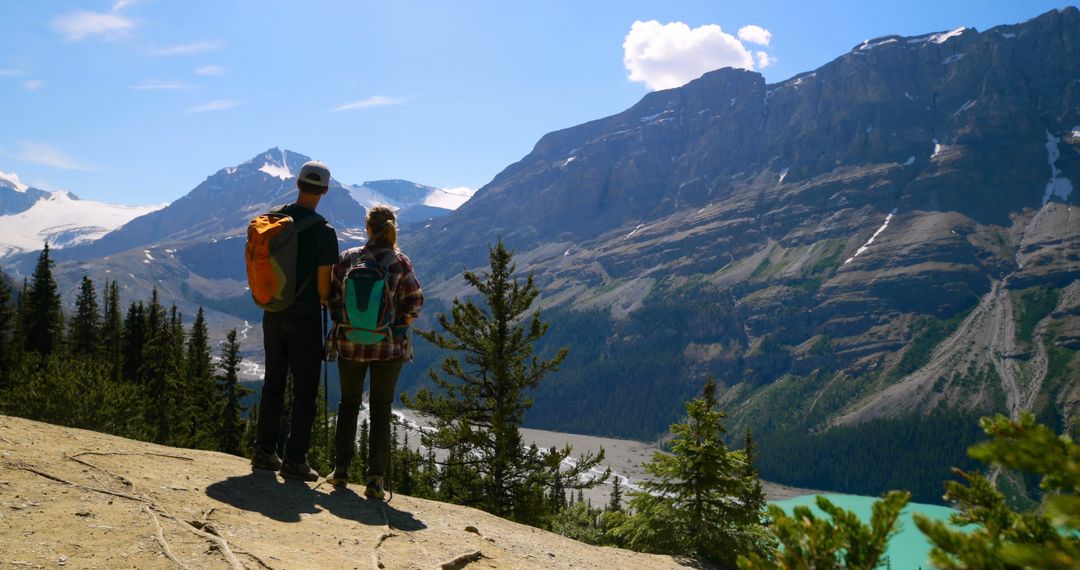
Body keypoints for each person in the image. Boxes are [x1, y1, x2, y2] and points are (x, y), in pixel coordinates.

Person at [326, 205, 423, 499]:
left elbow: (331, 298)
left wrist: (345, 322)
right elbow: (415, 302)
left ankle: (340, 472)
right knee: (381, 410)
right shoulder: (400, 263)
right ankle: (375, 480)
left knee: (348, 404)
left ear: (367, 227)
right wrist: (397, 327)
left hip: (349, 343)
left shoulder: (348, 258)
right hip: (388, 347)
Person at [251, 160, 339, 481]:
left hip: (273, 312)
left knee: (273, 381)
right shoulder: (324, 232)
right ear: (325, 191)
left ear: (297, 183)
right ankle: (295, 459)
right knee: (304, 388)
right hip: (304, 317)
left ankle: (264, 451)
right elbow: (322, 287)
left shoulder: (274, 220)